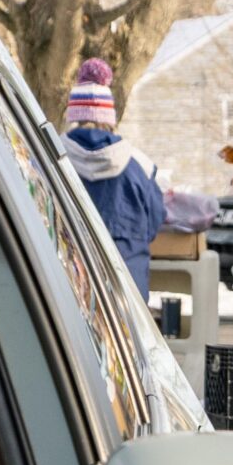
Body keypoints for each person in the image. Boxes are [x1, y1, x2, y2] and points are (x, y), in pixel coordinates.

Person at [59, 59, 165, 292]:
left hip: (68, 286)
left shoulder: (52, 160)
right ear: (109, 119)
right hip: (126, 288)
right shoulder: (140, 166)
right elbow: (155, 221)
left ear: (73, 116)